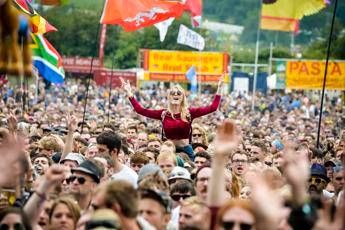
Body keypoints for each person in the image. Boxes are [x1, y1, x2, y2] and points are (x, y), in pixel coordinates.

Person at [121, 77, 223, 160]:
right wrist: (129, 92)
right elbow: (141, 111)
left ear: (182, 97)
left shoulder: (189, 113)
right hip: (168, 150)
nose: (175, 95)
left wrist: (219, 88)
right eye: (172, 93)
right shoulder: (164, 114)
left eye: (178, 93)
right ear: (169, 97)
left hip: (186, 150)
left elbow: (213, 108)